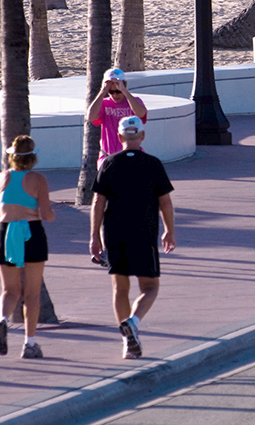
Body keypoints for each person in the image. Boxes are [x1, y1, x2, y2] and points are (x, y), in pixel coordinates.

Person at [90, 116, 176, 359]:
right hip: (144, 232)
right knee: (150, 287)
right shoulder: (153, 164)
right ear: (142, 136)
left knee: (120, 288)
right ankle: (134, 323)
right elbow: (165, 202)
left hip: (114, 232)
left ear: (119, 137)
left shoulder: (108, 163)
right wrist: (169, 230)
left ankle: (127, 342)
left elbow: (98, 202)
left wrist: (94, 236)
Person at [0, 135, 56, 359]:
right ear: (33, 157)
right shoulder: (38, 180)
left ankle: (2, 320)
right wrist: (54, 214)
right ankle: (30, 343)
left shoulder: (1, 178)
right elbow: (47, 215)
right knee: (32, 293)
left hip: (6, 234)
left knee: (9, 291)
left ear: (12, 156)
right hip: (31, 232)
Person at [87, 68, 148, 164]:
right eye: (111, 92)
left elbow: (141, 114)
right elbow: (91, 117)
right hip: (109, 156)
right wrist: (103, 92)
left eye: (118, 91)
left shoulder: (134, 101)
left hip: (132, 156)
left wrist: (125, 92)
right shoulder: (104, 103)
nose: (115, 95)